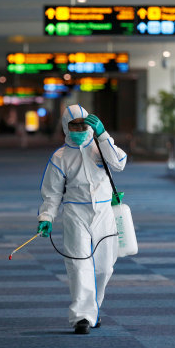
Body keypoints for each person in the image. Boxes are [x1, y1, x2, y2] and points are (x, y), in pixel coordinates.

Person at [37, 104, 127, 334]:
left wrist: (103, 134)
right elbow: (52, 192)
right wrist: (46, 216)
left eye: (82, 124)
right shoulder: (60, 157)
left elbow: (119, 163)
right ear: (65, 128)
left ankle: (93, 309)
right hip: (75, 215)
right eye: (73, 125)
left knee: (104, 267)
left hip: (105, 214)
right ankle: (82, 317)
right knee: (79, 264)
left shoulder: (100, 147)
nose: (79, 129)